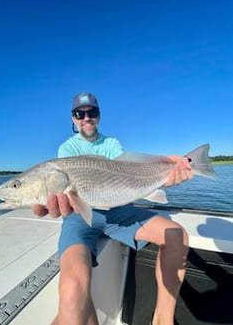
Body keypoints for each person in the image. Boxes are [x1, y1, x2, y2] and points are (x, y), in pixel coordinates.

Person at [33, 92, 193, 325]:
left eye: (92, 113)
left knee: (177, 235)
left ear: (98, 116)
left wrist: (165, 172)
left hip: (119, 212)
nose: (86, 118)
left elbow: (131, 173)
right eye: (80, 114)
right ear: (74, 118)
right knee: (72, 290)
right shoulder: (66, 150)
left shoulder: (112, 144)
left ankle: (162, 320)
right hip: (79, 216)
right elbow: (71, 199)